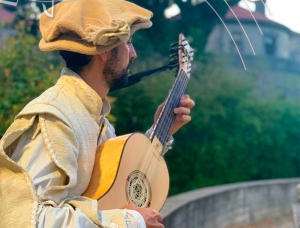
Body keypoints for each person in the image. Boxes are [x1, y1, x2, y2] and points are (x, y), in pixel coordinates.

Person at [0, 0, 195, 227]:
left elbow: (107, 191)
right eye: (128, 42)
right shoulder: (54, 119)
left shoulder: (93, 116)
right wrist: (132, 221)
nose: (134, 54)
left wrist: (163, 130)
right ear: (104, 51)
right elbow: (27, 220)